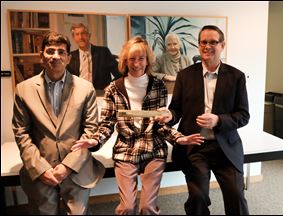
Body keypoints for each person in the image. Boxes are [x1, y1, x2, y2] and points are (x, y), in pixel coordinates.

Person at [71, 36, 204, 215]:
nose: (136, 63)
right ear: (125, 61)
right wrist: (95, 140)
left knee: (147, 207)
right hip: (126, 150)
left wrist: (180, 138)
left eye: (141, 58)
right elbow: (107, 123)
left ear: (147, 60)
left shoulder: (158, 86)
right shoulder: (113, 88)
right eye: (132, 59)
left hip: (153, 149)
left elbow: (161, 125)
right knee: (127, 208)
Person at [155, 25, 250, 215]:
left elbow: (243, 115)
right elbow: (176, 110)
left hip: (226, 148)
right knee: (198, 198)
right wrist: (169, 116)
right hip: (195, 147)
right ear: (198, 46)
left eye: (213, 42)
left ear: (222, 45)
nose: (208, 46)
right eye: (204, 42)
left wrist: (218, 120)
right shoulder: (185, 75)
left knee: (236, 195)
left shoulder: (236, 76)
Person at [12, 31, 105, 215]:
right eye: (50, 51)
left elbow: (91, 130)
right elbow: (21, 133)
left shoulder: (85, 89)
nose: (56, 56)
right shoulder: (23, 90)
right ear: (41, 56)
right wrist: (41, 169)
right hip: (41, 171)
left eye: (61, 52)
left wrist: (67, 166)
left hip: (76, 169)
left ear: (68, 58)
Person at [67, 23, 121, 92]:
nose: (80, 37)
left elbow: (119, 73)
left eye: (83, 33)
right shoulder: (70, 57)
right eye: (77, 34)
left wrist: (110, 86)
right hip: (78, 94)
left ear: (89, 35)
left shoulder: (103, 52)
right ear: (73, 38)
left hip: (101, 95)